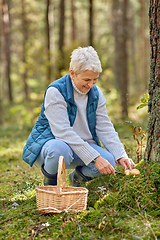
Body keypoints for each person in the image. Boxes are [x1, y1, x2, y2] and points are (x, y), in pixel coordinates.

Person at [22, 46, 135, 187]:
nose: (91, 85)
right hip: (52, 146)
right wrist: (95, 157)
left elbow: (105, 127)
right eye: (86, 79)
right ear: (72, 74)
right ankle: (50, 186)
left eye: (95, 79)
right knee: (59, 149)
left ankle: (77, 179)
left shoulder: (96, 93)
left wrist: (121, 155)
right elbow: (63, 132)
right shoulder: (55, 91)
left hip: (82, 147)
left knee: (109, 160)